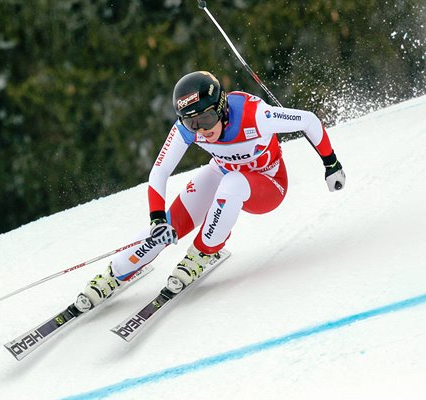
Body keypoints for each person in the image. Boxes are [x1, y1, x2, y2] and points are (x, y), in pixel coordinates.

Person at [73, 70, 346, 312]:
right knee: (166, 226)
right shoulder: (186, 128)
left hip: (267, 184)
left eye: (207, 117)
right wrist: (157, 219)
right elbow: (159, 171)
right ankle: (116, 272)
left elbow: (309, 121)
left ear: (222, 107)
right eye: (192, 123)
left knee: (233, 182)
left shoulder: (256, 116)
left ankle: (202, 253)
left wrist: (331, 163)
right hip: (224, 171)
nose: (201, 130)